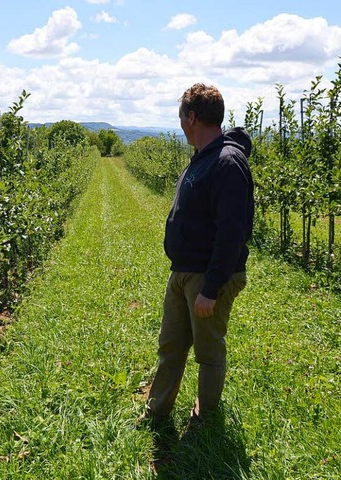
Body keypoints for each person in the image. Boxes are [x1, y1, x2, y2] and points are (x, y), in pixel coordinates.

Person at [143, 83, 254, 428]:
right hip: (183, 271)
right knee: (170, 346)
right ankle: (156, 412)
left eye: (181, 117)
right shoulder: (205, 158)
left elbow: (232, 231)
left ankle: (204, 419)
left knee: (207, 352)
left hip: (207, 276)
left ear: (191, 117)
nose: (180, 124)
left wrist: (212, 287)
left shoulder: (227, 161)